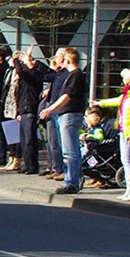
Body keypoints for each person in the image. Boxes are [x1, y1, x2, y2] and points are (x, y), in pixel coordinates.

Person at [95, 66, 130, 201]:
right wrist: (100, 103)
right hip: (124, 129)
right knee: (125, 160)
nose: (123, 80)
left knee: (127, 160)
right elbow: (117, 100)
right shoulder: (129, 93)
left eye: (124, 78)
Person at [39, 46, 85, 195]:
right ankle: (76, 177)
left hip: (70, 115)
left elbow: (67, 96)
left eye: (63, 59)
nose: (61, 62)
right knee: (70, 150)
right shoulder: (70, 75)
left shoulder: (76, 75)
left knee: (69, 151)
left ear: (68, 60)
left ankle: (71, 182)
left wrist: (50, 109)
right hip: (65, 115)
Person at [13, 49, 46, 175]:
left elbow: (21, 72)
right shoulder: (23, 79)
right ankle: (26, 164)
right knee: (23, 140)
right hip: (23, 109)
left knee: (30, 140)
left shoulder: (32, 76)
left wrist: (16, 59)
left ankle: (32, 165)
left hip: (31, 109)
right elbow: (19, 95)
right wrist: (19, 111)